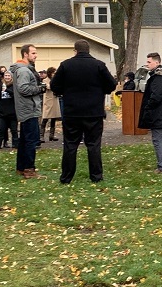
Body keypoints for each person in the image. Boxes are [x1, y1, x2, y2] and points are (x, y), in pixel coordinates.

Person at [50, 40, 117, 184]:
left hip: (72, 111)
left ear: (75, 50)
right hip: (93, 112)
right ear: (88, 50)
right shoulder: (99, 65)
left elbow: (54, 86)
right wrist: (100, 91)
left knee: (70, 144)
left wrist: (66, 92)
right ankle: (96, 176)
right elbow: (112, 84)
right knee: (93, 144)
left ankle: (66, 177)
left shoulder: (66, 65)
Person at [137, 52, 162, 174]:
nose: (147, 64)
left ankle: (161, 166)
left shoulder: (157, 78)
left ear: (157, 62)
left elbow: (156, 96)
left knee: (157, 140)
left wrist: (148, 108)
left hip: (157, 114)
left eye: (149, 62)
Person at [9, 43, 45, 179]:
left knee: (24, 140)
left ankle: (21, 168)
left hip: (26, 108)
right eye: (33, 53)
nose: (36, 55)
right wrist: (40, 88)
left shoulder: (23, 69)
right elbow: (24, 89)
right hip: (28, 109)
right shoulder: (24, 71)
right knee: (31, 140)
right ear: (25, 54)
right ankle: (29, 170)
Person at [0, 70, 19, 150]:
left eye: (8, 76)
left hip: (12, 112)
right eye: (6, 76)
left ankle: (15, 146)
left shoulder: (14, 85)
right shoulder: (1, 85)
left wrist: (6, 90)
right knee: (0, 130)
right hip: (3, 112)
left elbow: (15, 96)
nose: (7, 77)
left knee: (14, 130)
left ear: (11, 77)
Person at [40, 67, 61, 142]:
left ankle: (51, 135)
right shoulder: (45, 80)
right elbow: (48, 87)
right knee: (45, 118)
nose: (54, 74)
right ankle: (41, 136)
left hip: (55, 100)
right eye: (53, 73)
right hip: (48, 101)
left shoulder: (56, 80)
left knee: (53, 118)